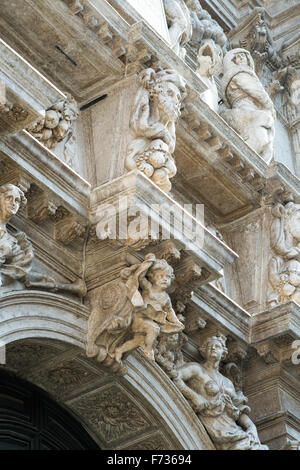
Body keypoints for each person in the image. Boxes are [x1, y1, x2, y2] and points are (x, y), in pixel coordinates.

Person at [174, 334, 268, 450]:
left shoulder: (227, 382)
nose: (213, 348)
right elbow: (174, 376)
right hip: (214, 426)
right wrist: (194, 396)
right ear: (204, 351)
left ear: (223, 353)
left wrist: (251, 426)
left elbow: (238, 409)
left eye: (217, 346)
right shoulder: (196, 369)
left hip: (231, 427)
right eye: (209, 346)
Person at [115, 256, 184, 362]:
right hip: (137, 316)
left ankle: (119, 350)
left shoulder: (166, 297)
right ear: (152, 277)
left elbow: (169, 311)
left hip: (148, 320)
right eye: (161, 276)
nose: (165, 279)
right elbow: (140, 277)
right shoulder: (149, 288)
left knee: (139, 339)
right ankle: (148, 349)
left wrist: (176, 322)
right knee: (154, 329)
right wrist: (148, 263)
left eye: (168, 277)